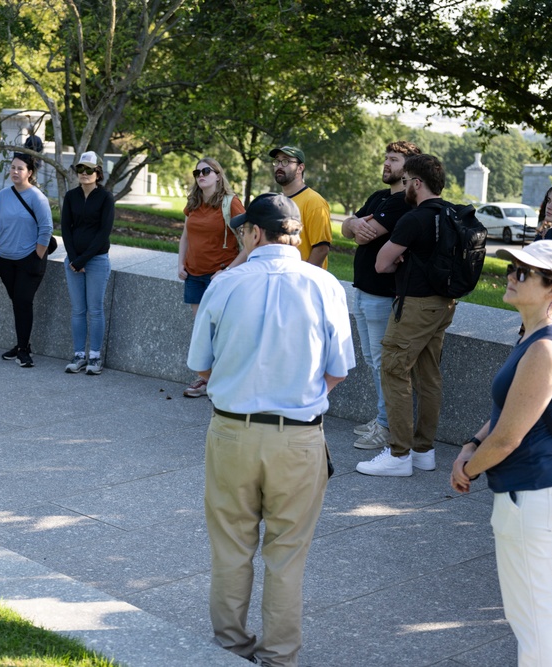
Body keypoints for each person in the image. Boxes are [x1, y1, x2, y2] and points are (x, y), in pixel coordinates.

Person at [188, 192, 354, 667]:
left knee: (231, 549)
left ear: (256, 232)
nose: (242, 235)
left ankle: (229, 649)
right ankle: (279, 657)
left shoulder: (225, 284)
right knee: (286, 556)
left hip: (232, 433)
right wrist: (297, 393)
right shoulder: (325, 286)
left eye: (243, 229)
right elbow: (339, 369)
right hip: (299, 437)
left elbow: (200, 366)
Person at [451, 240, 552, 667]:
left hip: (531, 490)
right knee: (530, 609)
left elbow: (510, 436)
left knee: (533, 614)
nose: (511, 275)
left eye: (524, 272)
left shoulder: (547, 347)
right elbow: (507, 415)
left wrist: (468, 469)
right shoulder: (535, 334)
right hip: (530, 488)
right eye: (513, 267)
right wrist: (470, 446)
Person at [358, 154, 455, 476]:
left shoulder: (415, 218)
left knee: (393, 370)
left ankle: (399, 454)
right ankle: (423, 451)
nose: (403, 189)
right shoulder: (451, 213)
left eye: (406, 182)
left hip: (414, 304)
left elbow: (381, 263)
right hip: (443, 304)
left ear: (416, 183)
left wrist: (399, 261)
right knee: (429, 377)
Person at [341, 141, 421, 450]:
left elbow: (364, 232)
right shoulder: (378, 197)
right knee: (373, 361)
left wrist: (356, 224)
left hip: (382, 296)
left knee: (382, 362)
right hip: (363, 291)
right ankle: (382, 419)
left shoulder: (403, 201)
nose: (386, 163)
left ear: (409, 168)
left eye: (394, 159)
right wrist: (353, 223)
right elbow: (347, 230)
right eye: (386, 158)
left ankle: (387, 426)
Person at [177, 157, 244, 397]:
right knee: (202, 330)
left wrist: (227, 272)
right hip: (194, 274)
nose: (201, 175)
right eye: (197, 172)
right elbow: (185, 236)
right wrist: (180, 264)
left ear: (218, 174)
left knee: (220, 331)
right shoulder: (193, 203)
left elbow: (249, 245)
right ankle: (205, 379)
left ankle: (223, 379)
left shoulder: (231, 203)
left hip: (220, 277)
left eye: (206, 171)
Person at [0, 153, 53, 369]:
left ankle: (24, 350)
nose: (15, 172)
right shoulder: (3, 196)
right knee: (18, 303)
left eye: (20, 168)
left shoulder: (37, 198)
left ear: (30, 173)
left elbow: (46, 229)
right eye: (13, 167)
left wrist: (36, 256)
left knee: (23, 302)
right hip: (4, 260)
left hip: (29, 261)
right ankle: (21, 345)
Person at [61, 151, 114, 375]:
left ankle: (94, 356)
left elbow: (103, 233)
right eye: (80, 169)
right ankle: (79, 355)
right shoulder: (71, 196)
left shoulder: (106, 198)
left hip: (97, 261)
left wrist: (83, 259)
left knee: (95, 310)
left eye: (89, 170)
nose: (84, 174)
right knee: (78, 310)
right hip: (73, 262)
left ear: (98, 173)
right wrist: (73, 259)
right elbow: (65, 229)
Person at [268, 145, 331, 269]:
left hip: (301, 282)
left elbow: (321, 249)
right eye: (277, 161)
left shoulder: (314, 202)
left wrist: (301, 277)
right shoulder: (277, 201)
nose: (279, 166)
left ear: (300, 168)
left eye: (286, 161)